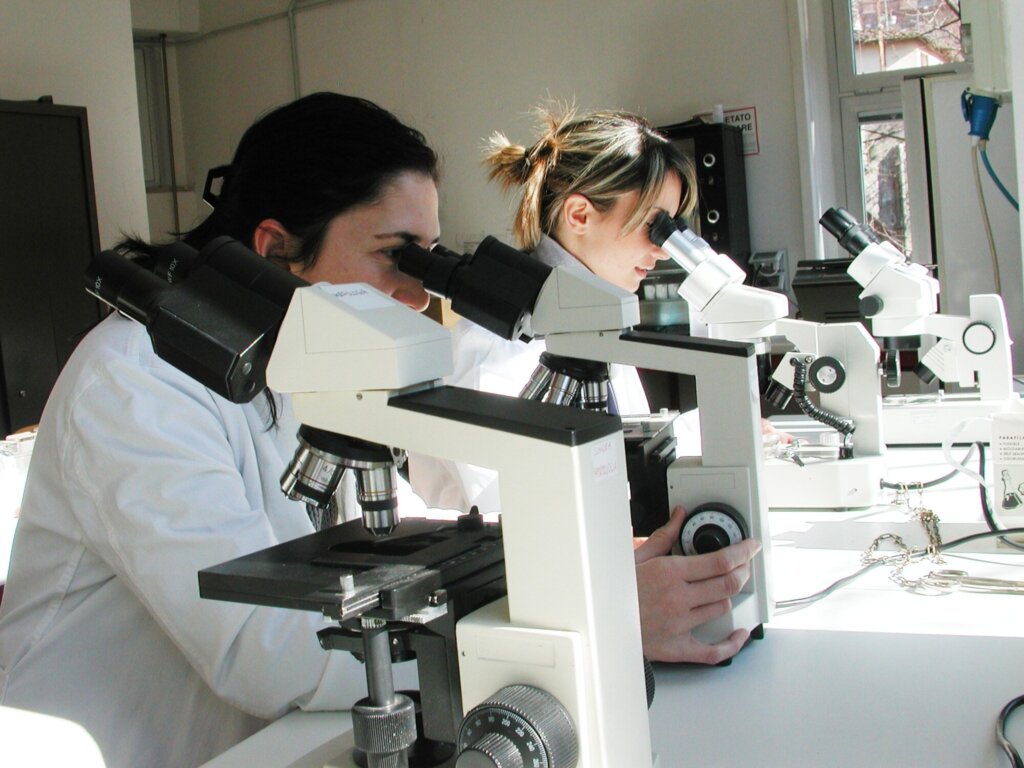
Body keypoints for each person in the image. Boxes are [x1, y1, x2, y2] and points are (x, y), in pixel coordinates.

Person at [0, 92, 440, 768]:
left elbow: (413, 541)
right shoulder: (137, 375)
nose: (420, 296)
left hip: (265, 744)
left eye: (431, 261)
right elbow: (259, 643)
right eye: (396, 257)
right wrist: (483, 653)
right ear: (275, 250)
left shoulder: (310, 363)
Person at [409, 104, 762, 664]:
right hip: (511, 627)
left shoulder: (588, 316)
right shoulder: (499, 342)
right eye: (655, 226)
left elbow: (623, 448)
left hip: (589, 595)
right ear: (579, 214)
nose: (662, 250)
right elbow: (516, 516)